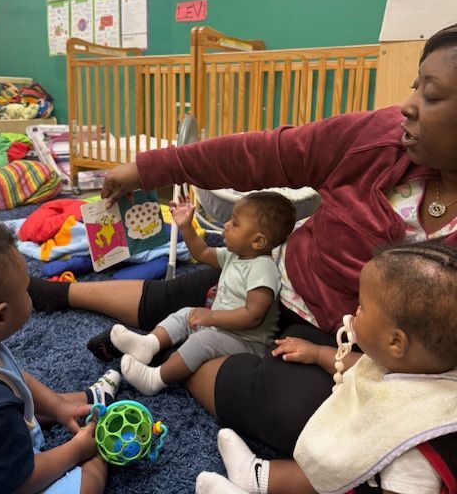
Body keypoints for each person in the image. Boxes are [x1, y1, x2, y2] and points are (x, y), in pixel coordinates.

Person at [29, 23, 457, 455]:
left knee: (312, 420)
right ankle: (57, 294)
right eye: (414, 87)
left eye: (432, 96)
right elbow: (267, 152)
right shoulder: (381, 137)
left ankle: (170, 356)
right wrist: (156, 167)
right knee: (180, 293)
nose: (407, 107)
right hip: (282, 276)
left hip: (347, 335)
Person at [196, 241, 457, 494]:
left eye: (363, 307)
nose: (355, 311)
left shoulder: (414, 445)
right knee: (328, 470)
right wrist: (319, 354)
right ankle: (256, 475)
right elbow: (365, 367)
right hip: (366, 472)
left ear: (395, 342)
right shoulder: (422, 364)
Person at [93, 192, 296, 395]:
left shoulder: (263, 268)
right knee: (186, 314)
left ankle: (155, 379)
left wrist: (211, 317)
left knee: (202, 340)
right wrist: (186, 226)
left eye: (234, 224)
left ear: (258, 242)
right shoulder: (236, 256)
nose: (225, 224)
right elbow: (202, 253)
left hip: (248, 343)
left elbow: (253, 315)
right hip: (223, 329)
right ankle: (149, 344)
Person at [0, 216, 122, 494]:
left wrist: (57, 407)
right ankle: (99, 454)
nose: (32, 294)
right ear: (1, 317)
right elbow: (21, 481)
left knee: (24, 403)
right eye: (26, 290)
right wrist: (79, 450)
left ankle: (86, 400)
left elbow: (16, 379)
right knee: (87, 485)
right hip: (7, 478)